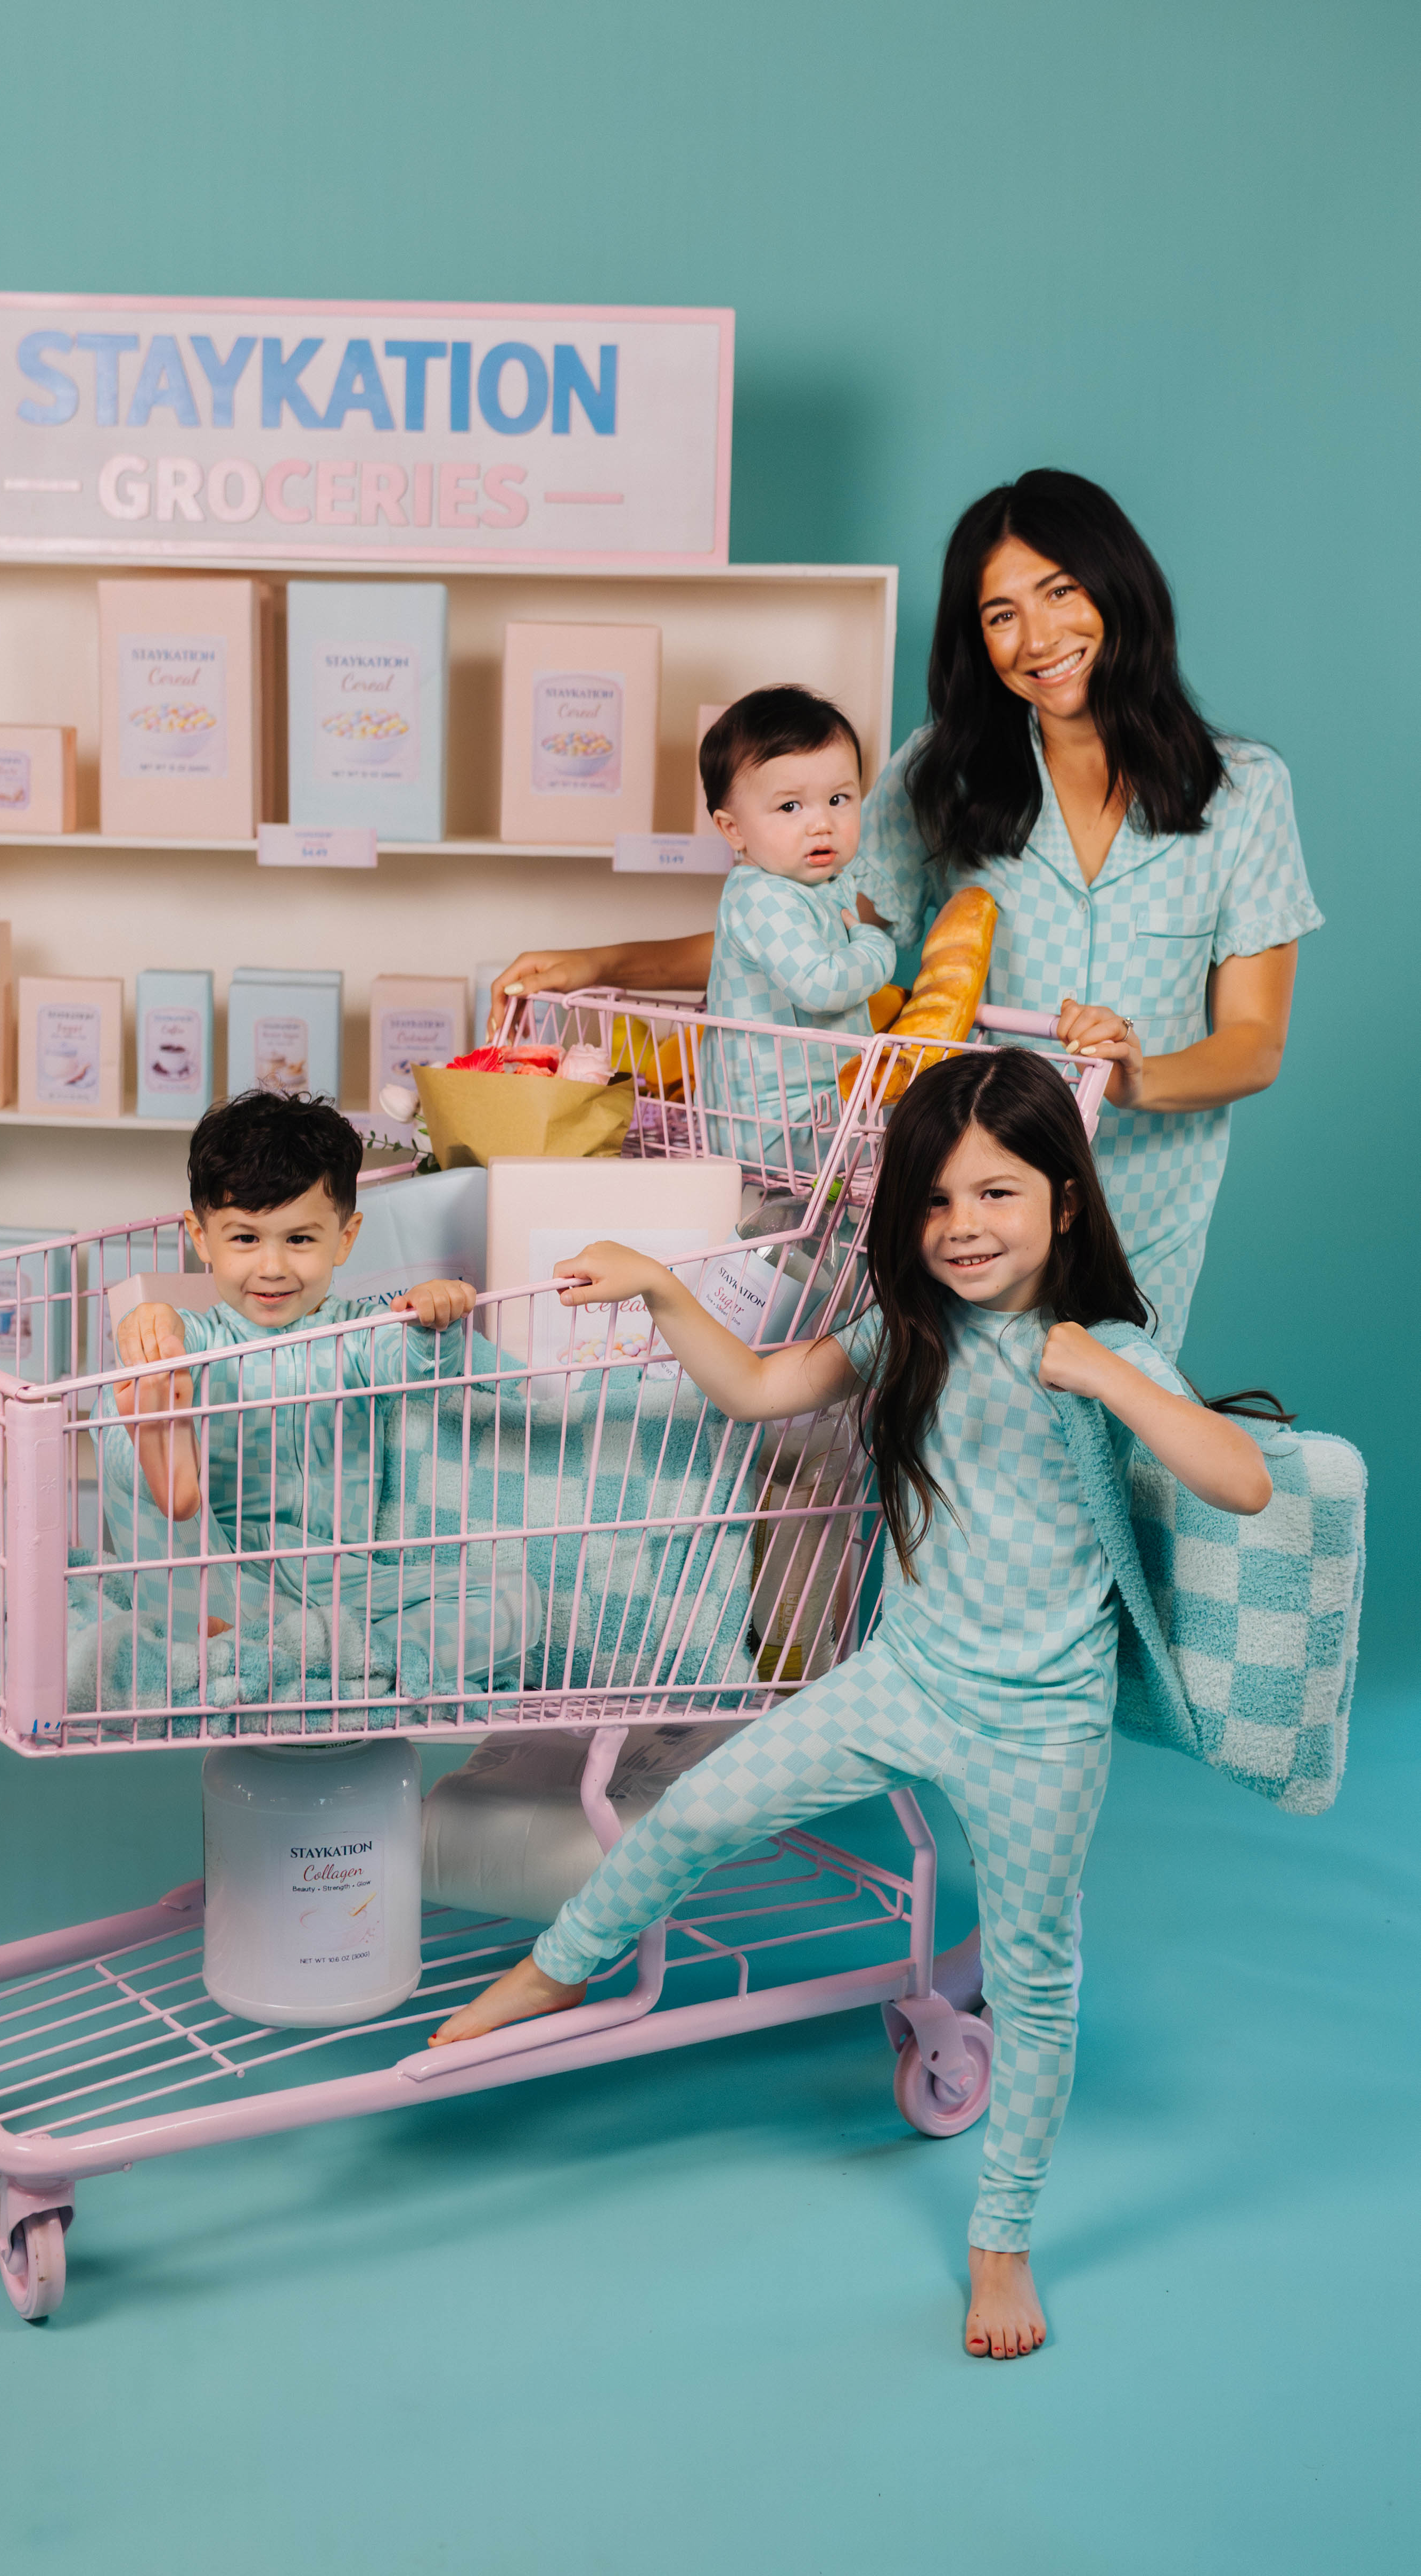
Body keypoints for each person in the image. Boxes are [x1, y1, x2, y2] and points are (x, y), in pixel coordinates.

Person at [430, 1046, 1274, 2359]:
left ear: (1064, 1196)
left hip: (1040, 1724)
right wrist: (660, 1288)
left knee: (1040, 1984)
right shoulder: (908, 1333)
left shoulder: (1106, 1345)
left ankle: (1001, 2243)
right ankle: (554, 1972)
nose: (962, 1228)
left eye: (996, 1194)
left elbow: (1243, 1480)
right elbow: (763, 1390)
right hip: (904, 1676)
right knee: (702, 1805)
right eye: (935, 1203)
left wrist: (1113, 1378)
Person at [490, 469, 1323, 1356]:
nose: (1037, 637)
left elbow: (1253, 1043)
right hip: (965, 1187)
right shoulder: (944, 771)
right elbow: (814, 939)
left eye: (1060, 591)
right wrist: (601, 963)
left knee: (1107, 1437)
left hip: (1148, 1197)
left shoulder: (1243, 791)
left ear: (1120, 588)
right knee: (940, 1443)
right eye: (1000, 614)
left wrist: (1135, 1076)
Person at [102, 1092, 530, 1693]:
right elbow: (159, 1331)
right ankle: (164, 1451)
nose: (272, 1267)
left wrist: (432, 1317)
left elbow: (414, 1362)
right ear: (200, 1238)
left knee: (512, 1598)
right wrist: (149, 1326)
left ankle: (310, 1655)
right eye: (245, 1240)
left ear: (345, 1238)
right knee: (119, 1405)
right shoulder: (192, 1342)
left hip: (332, 1582)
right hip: (216, 1561)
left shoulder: (357, 1337)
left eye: (299, 1240)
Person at [695, 686, 896, 1169]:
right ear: (733, 830)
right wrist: (877, 949)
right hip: (779, 1124)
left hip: (817, 1112)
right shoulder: (762, 895)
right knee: (930, 1146)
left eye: (839, 798)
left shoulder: (816, 885)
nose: (821, 823)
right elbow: (820, 985)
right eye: (791, 807)